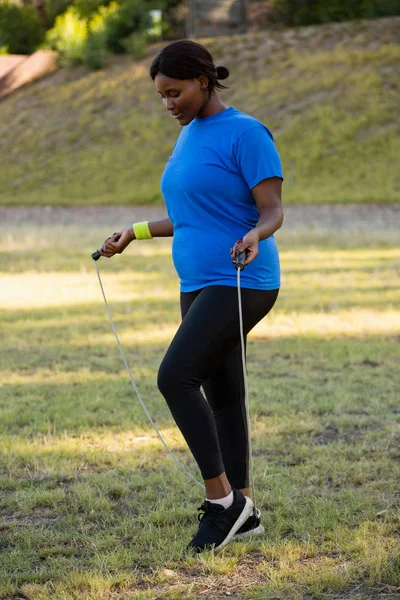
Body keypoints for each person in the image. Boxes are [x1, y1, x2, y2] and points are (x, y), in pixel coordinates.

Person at [98, 40, 284, 553]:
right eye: (161, 97)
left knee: (175, 376)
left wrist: (255, 235)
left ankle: (222, 503)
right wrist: (134, 231)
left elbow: (272, 210)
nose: (168, 105)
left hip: (242, 279)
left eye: (174, 93)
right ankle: (244, 509)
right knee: (222, 393)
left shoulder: (246, 133)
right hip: (197, 282)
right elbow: (192, 214)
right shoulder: (189, 137)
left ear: (204, 81)